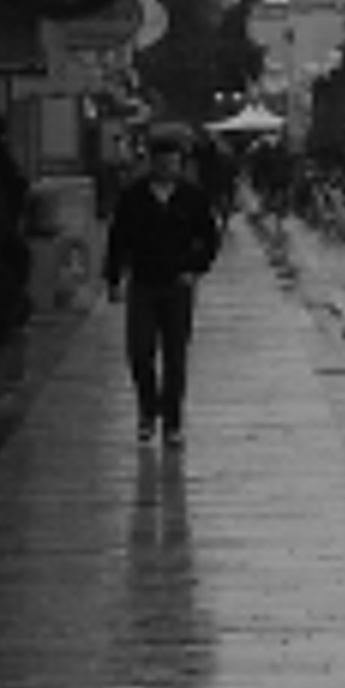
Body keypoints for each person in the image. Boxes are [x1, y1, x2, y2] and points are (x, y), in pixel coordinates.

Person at [104, 120, 225, 446]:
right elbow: (118, 238)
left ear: (180, 164)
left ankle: (172, 422)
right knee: (139, 351)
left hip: (177, 285)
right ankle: (148, 409)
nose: (167, 169)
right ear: (151, 163)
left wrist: (195, 268)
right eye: (161, 163)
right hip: (143, 283)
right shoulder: (134, 197)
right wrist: (113, 277)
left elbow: (210, 238)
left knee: (175, 355)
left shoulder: (192, 197)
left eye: (173, 163)